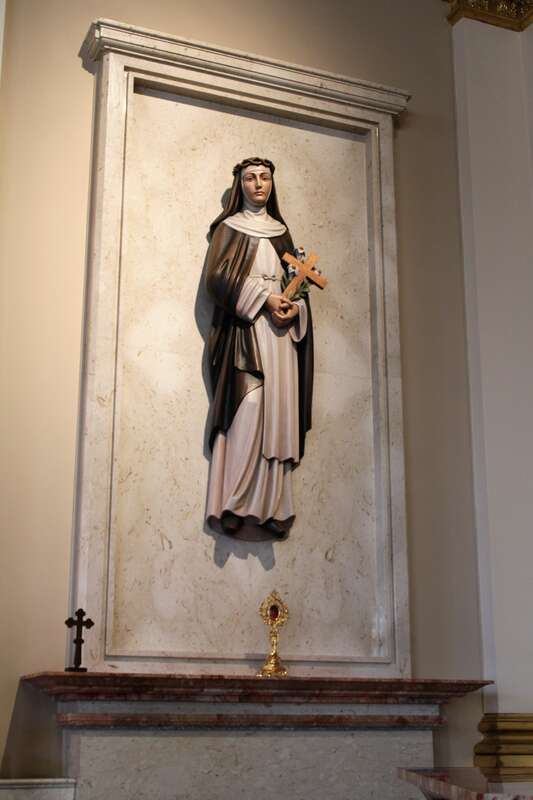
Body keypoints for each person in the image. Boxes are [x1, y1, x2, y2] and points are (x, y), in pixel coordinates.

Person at [205, 157, 313, 540]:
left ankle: (275, 504)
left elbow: (297, 282)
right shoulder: (228, 229)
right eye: (250, 178)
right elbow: (216, 280)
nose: (258, 184)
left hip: (280, 338)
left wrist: (292, 306)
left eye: (265, 177)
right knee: (248, 409)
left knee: (278, 416)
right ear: (240, 185)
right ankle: (232, 500)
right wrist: (264, 300)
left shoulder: (281, 233)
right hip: (247, 334)